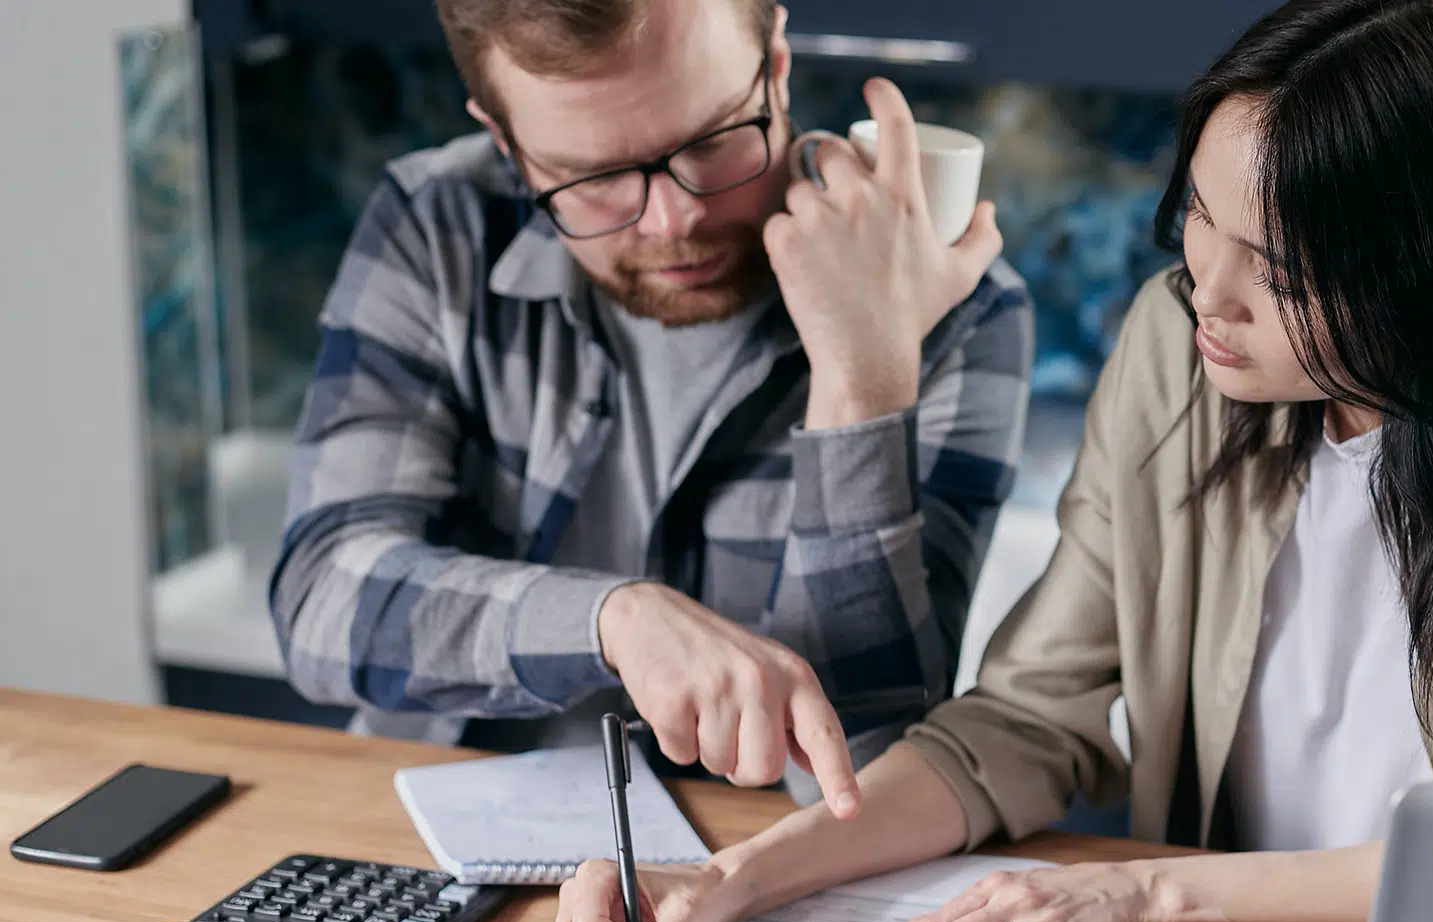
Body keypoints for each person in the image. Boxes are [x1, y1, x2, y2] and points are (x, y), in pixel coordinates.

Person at [546, 0, 1433, 922]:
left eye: (1284, 271)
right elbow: (1022, 722)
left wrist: (1147, 892)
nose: (1205, 289)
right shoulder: (1181, 349)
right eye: (1202, 213)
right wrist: (734, 876)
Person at [269, 0, 1035, 813]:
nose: (678, 219)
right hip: (438, 835)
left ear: (775, 64)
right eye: (593, 178)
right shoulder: (439, 225)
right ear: (506, 143)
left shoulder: (952, 304)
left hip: (761, 872)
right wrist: (613, 623)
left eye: (711, 142)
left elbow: (866, 772)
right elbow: (322, 600)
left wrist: (861, 381)